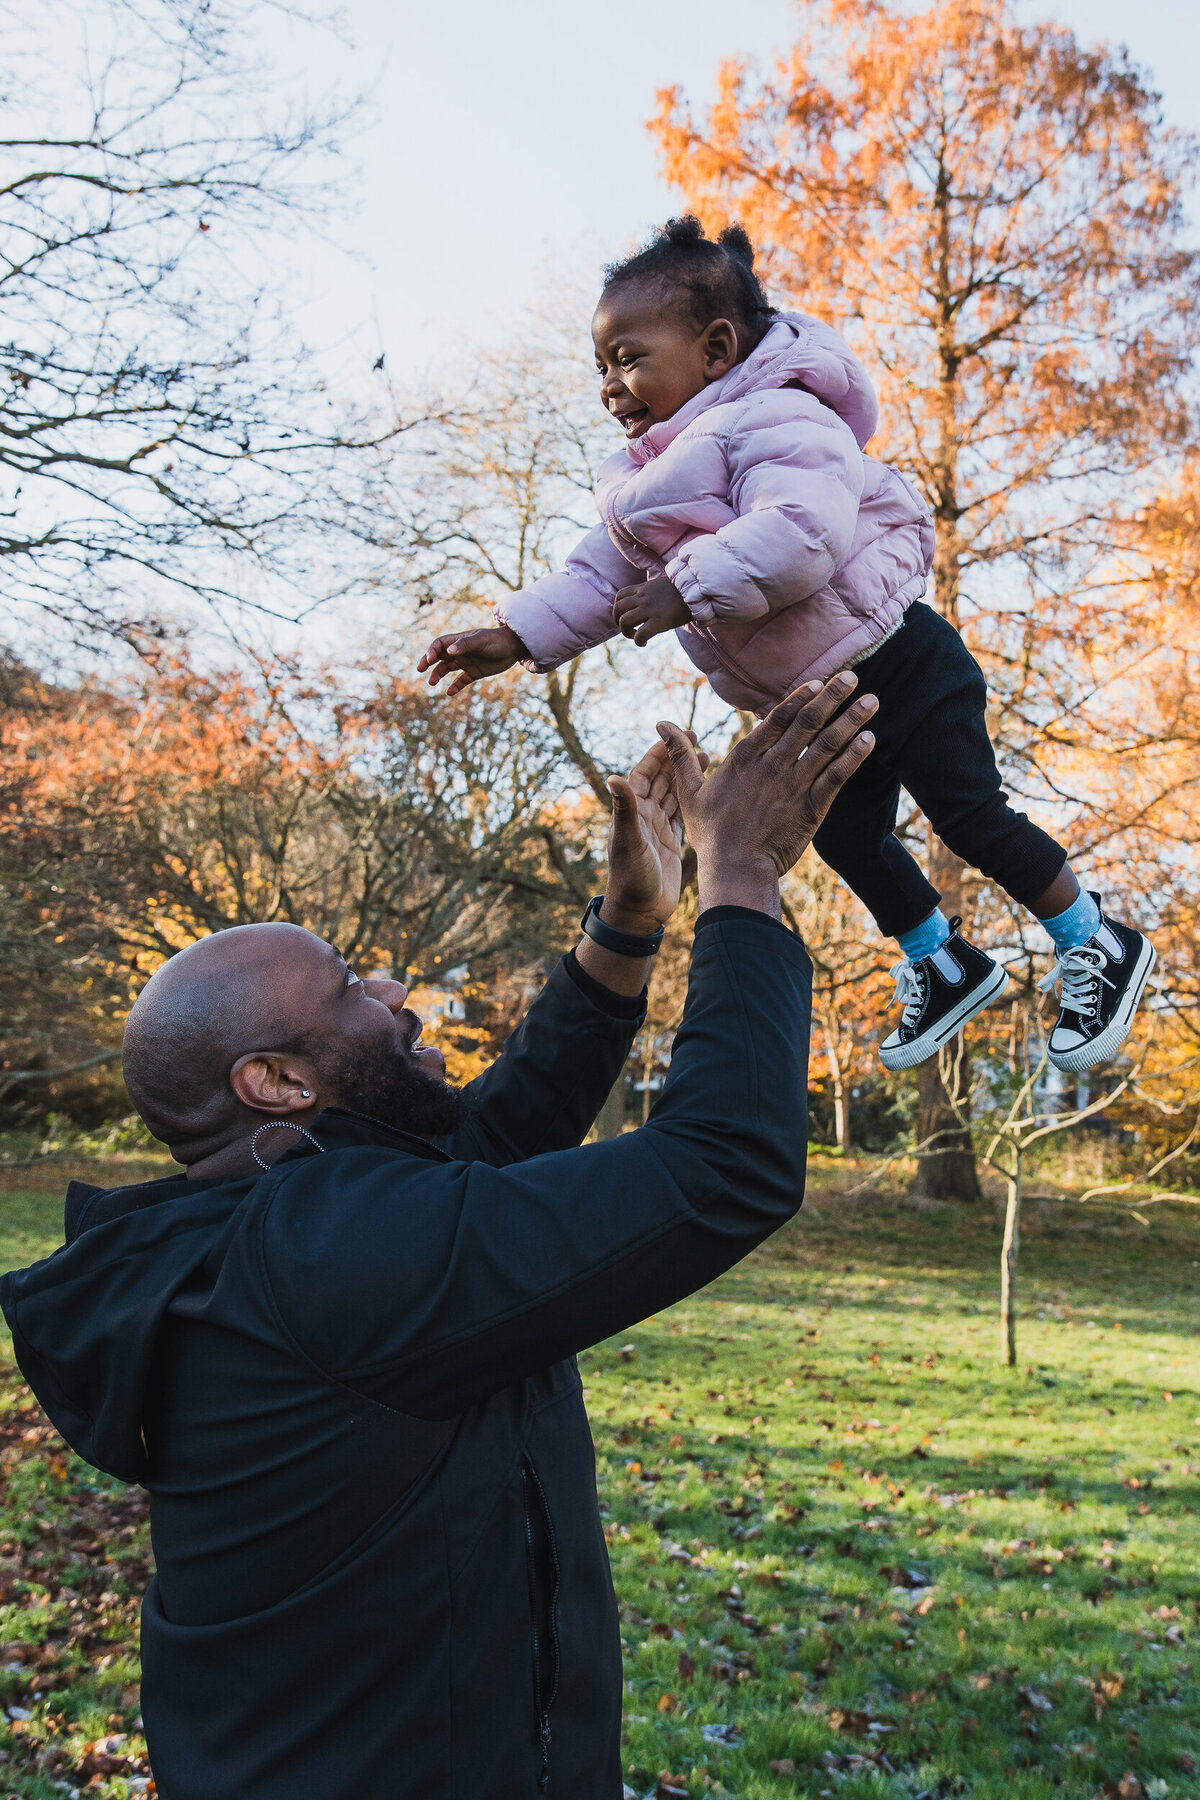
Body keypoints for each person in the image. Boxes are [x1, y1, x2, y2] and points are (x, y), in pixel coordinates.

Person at [2, 676, 875, 1800]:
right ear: (274, 1081)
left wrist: (627, 925)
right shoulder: (328, 1255)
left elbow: (488, 1142)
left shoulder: (261, 1237)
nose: (397, 988)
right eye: (347, 987)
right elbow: (724, 1168)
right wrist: (743, 875)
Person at [418, 216, 1154, 1077]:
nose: (610, 384)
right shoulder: (643, 480)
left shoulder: (776, 414)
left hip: (900, 659)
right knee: (845, 839)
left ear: (717, 348)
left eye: (628, 358)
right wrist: (514, 635)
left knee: (968, 815)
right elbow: (594, 578)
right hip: (819, 697)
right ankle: (944, 961)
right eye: (600, 367)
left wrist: (685, 589)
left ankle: (1094, 939)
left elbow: (804, 530)